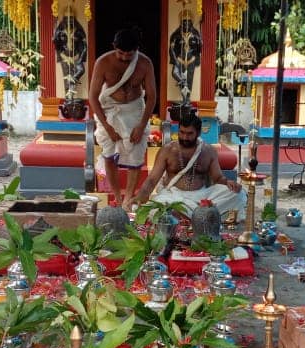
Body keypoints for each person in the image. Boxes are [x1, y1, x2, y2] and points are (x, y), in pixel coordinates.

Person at [89, 28, 157, 209]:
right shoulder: (103, 63)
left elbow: (152, 96)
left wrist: (142, 125)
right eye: (121, 53)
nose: (126, 58)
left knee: (135, 157)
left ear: (136, 49)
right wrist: (107, 127)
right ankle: (117, 198)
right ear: (114, 47)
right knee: (109, 156)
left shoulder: (145, 63)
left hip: (134, 110)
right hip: (110, 111)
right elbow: (93, 97)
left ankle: (128, 200)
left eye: (130, 54)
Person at [134, 114, 245, 217]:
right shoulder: (167, 150)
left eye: (189, 134)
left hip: (202, 196)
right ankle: (200, 216)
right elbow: (152, 180)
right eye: (182, 132)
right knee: (158, 209)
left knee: (237, 194)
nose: (185, 137)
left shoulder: (208, 151)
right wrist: (140, 197)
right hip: (173, 196)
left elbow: (217, 178)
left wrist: (227, 182)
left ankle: (191, 215)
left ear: (198, 133)